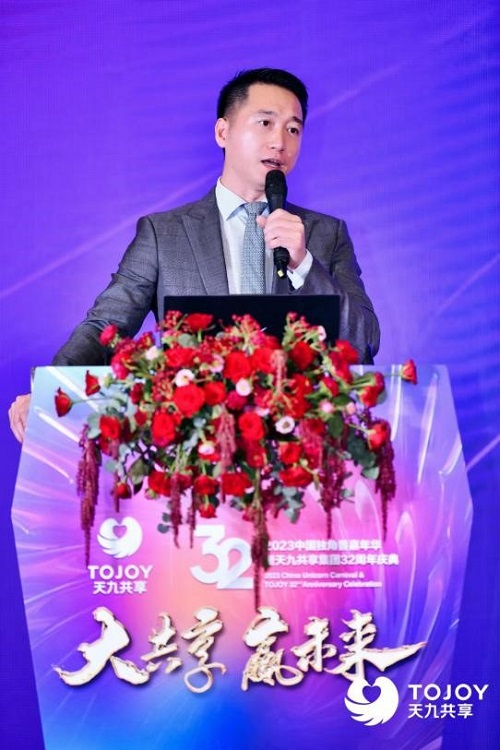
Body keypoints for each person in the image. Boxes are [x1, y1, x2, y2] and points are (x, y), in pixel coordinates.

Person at [9, 67, 380, 442]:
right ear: (223, 132)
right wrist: (50, 387)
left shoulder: (325, 234)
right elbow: (105, 327)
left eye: (293, 129)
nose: (280, 142)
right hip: (193, 447)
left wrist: (304, 264)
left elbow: (364, 341)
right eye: (265, 122)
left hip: (298, 444)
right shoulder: (164, 234)